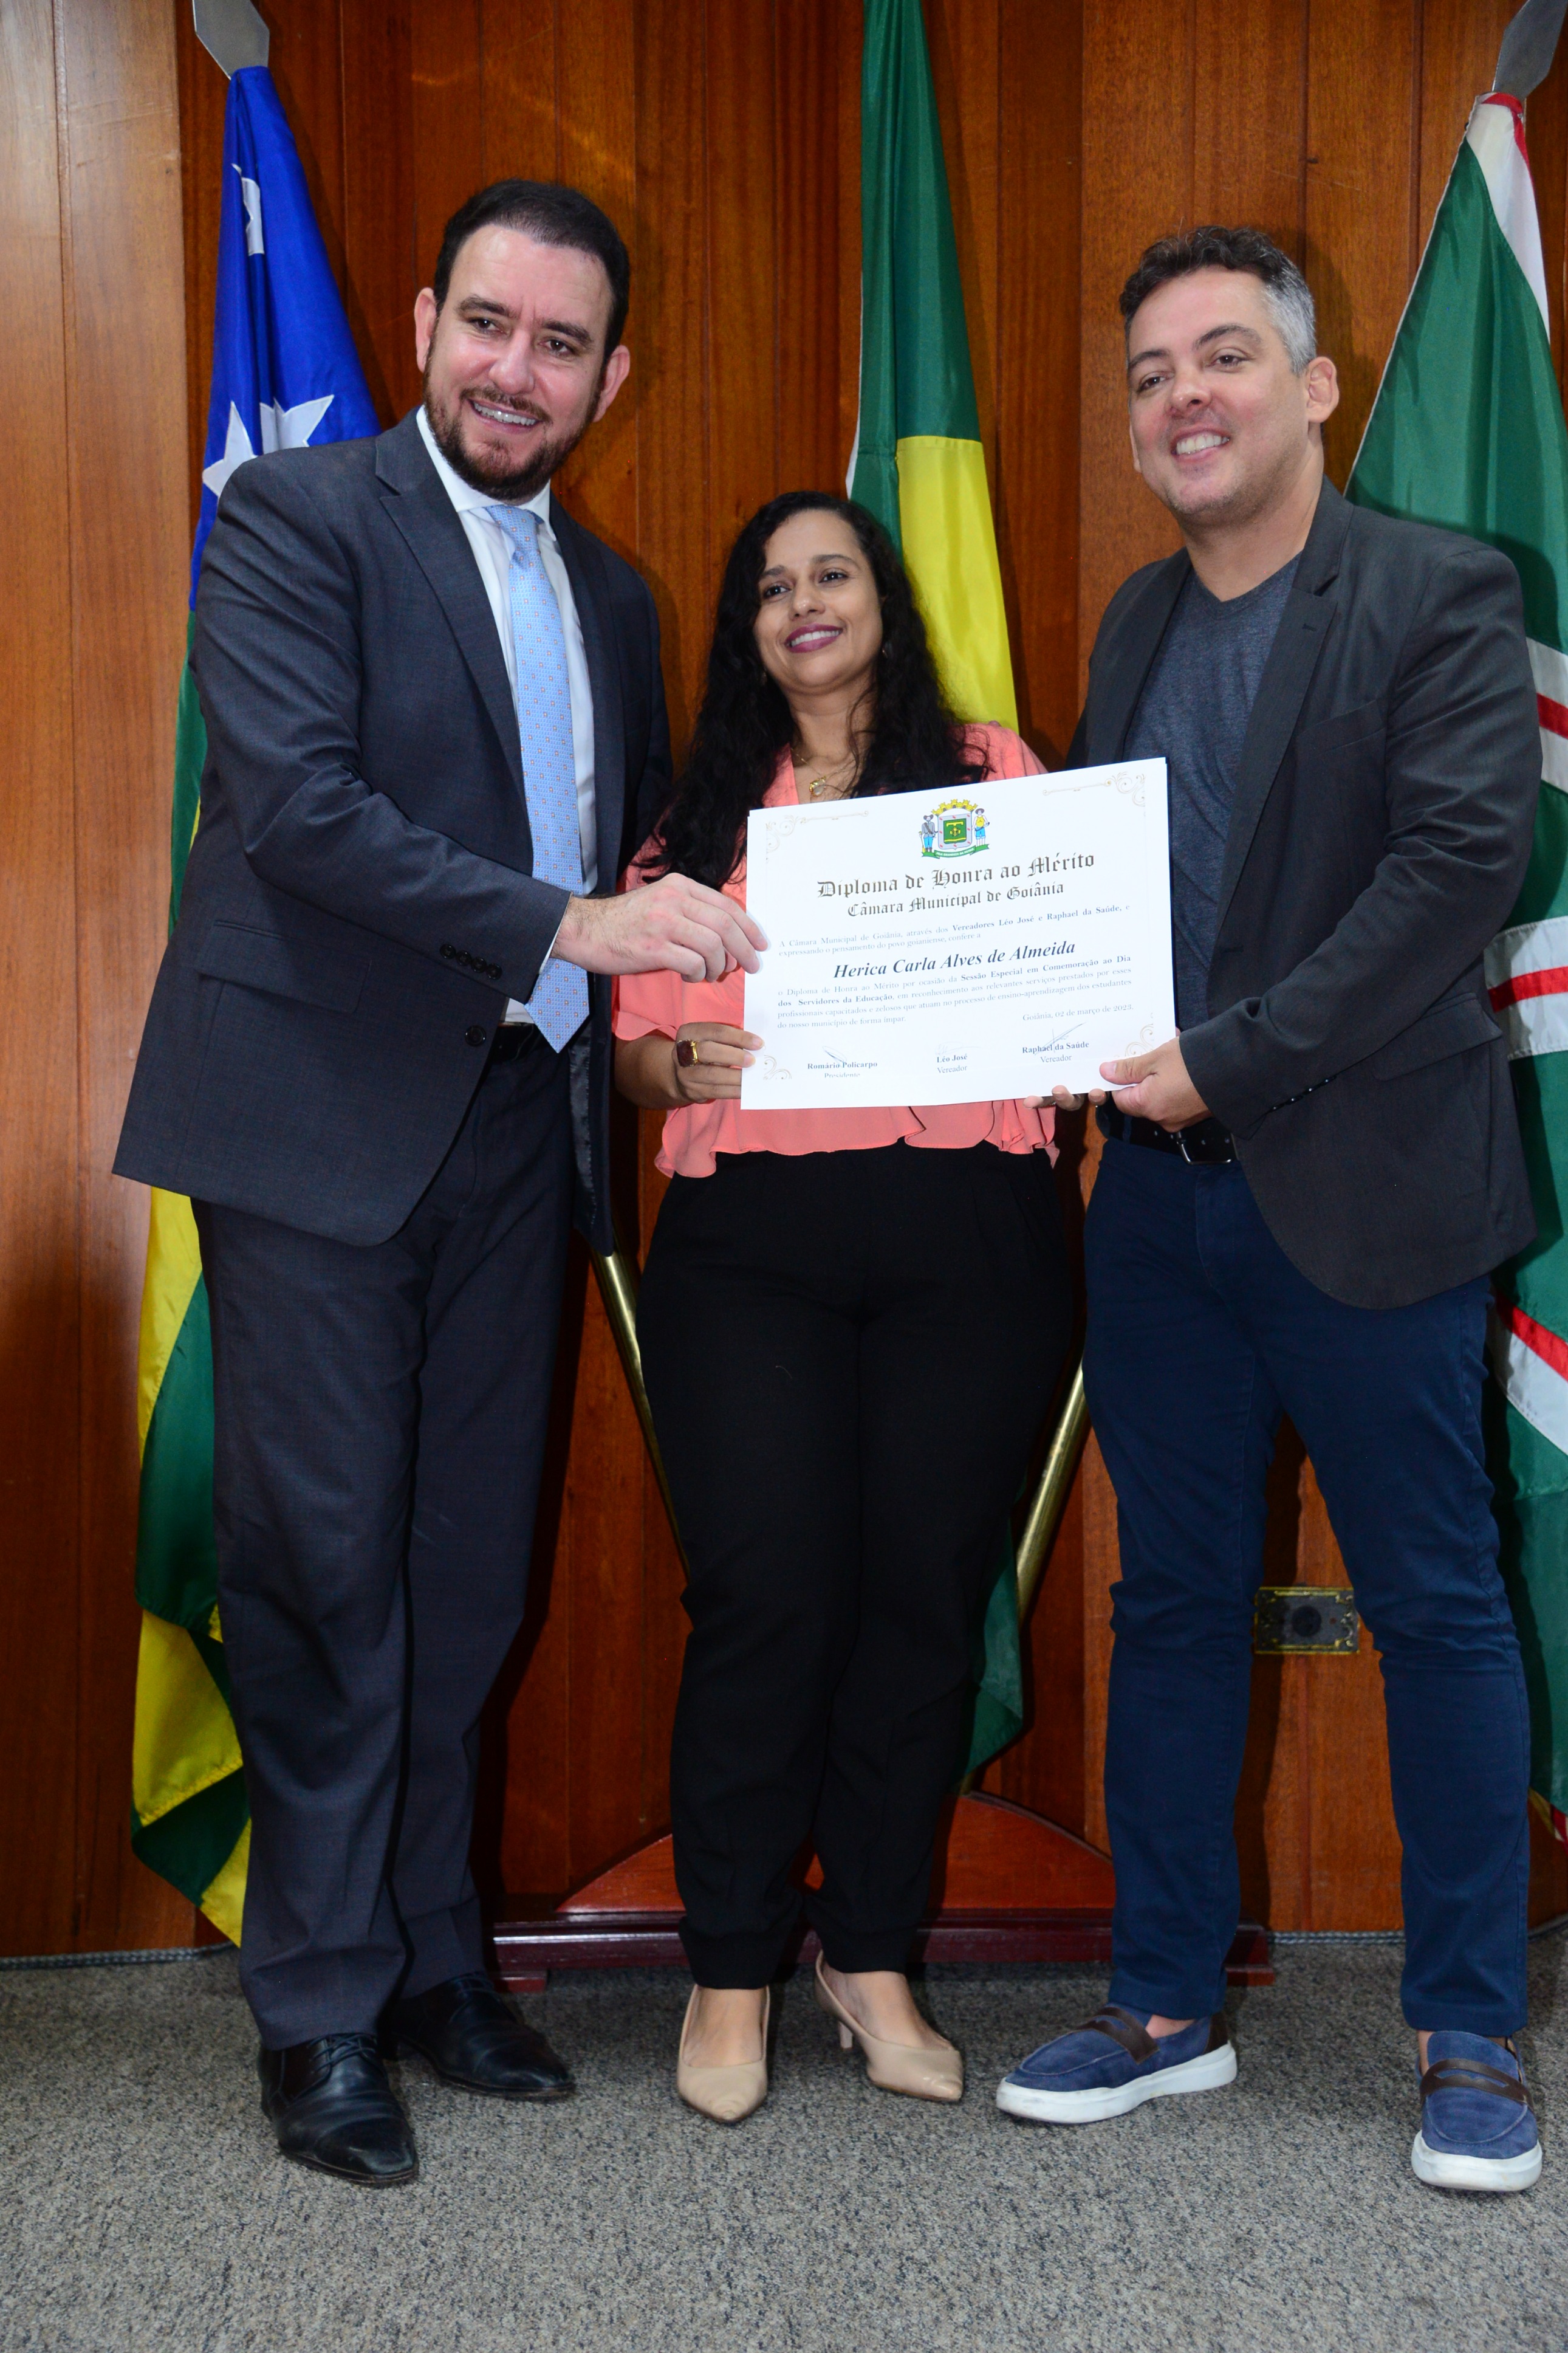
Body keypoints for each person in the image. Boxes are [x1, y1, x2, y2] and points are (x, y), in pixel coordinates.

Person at [114, 180, 763, 2188]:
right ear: (420, 324)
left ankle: (424, 1959)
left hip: (518, 1131)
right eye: (489, 323)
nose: (515, 369)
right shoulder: (295, 518)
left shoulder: (622, 599)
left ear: (611, 378)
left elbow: (646, 852)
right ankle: (316, 2004)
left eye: (560, 344)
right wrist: (576, 924)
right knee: (324, 1569)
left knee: (467, 1573)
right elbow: (300, 809)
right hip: (315, 1123)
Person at [998, 227, 1543, 2194]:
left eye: (1222, 357)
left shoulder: (1440, 590)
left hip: (1373, 1189)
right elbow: (1098, 895)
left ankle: (1469, 2028)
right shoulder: (1138, 620)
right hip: (1157, 1210)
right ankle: (1163, 2008)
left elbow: (1458, 870)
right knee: (1167, 1605)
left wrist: (1229, 1059)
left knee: (1438, 1603)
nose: (1184, 398)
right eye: (1151, 374)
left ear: (1315, 388)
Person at [615, 491, 1073, 2123]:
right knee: (768, 1600)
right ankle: (733, 1965)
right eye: (771, 586)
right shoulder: (697, 813)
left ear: (884, 598)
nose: (804, 602)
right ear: (745, 629)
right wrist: (682, 1062)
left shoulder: (995, 776)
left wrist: (1073, 1025)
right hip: (755, 1247)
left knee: (923, 1601)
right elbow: (635, 1052)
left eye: (833, 573)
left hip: (975, 1233)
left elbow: (1069, 969)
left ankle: (870, 1955)